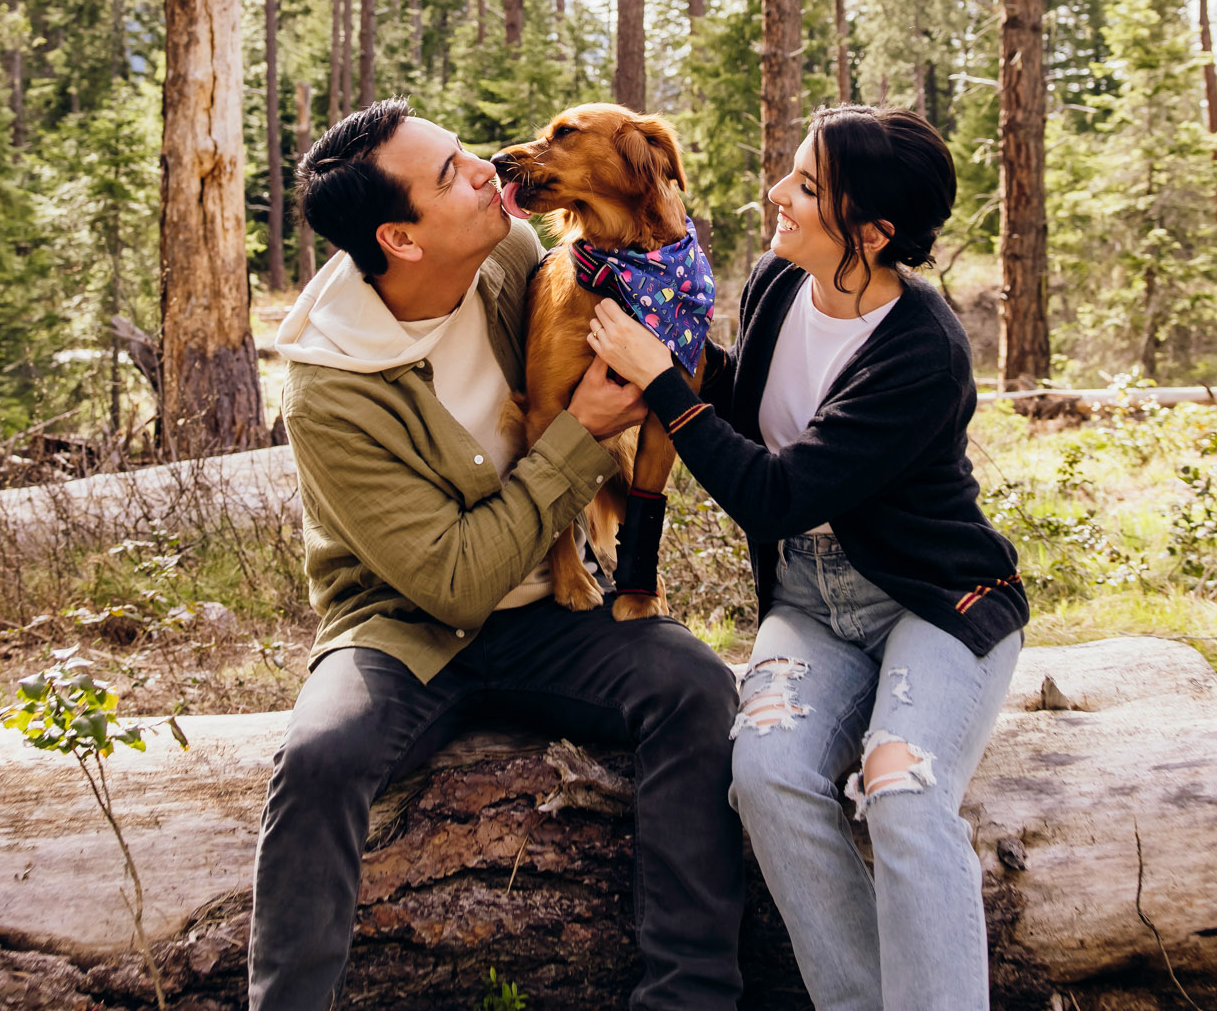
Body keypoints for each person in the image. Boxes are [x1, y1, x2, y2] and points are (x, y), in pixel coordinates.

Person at [249, 98, 745, 1011]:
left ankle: (692, 995)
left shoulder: (520, 255)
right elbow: (455, 581)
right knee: (319, 758)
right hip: (405, 629)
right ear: (400, 239)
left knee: (700, 688)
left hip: (554, 613)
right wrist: (582, 437)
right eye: (450, 175)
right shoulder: (331, 389)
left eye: (464, 153)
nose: (485, 169)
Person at [586, 103, 1028, 1011]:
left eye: (808, 187)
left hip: (933, 599)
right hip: (810, 600)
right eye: (790, 173)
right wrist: (659, 337)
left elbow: (777, 493)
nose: (776, 194)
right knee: (768, 775)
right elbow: (747, 423)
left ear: (873, 232)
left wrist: (665, 381)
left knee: (902, 790)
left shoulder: (921, 349)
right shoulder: (778, 288)